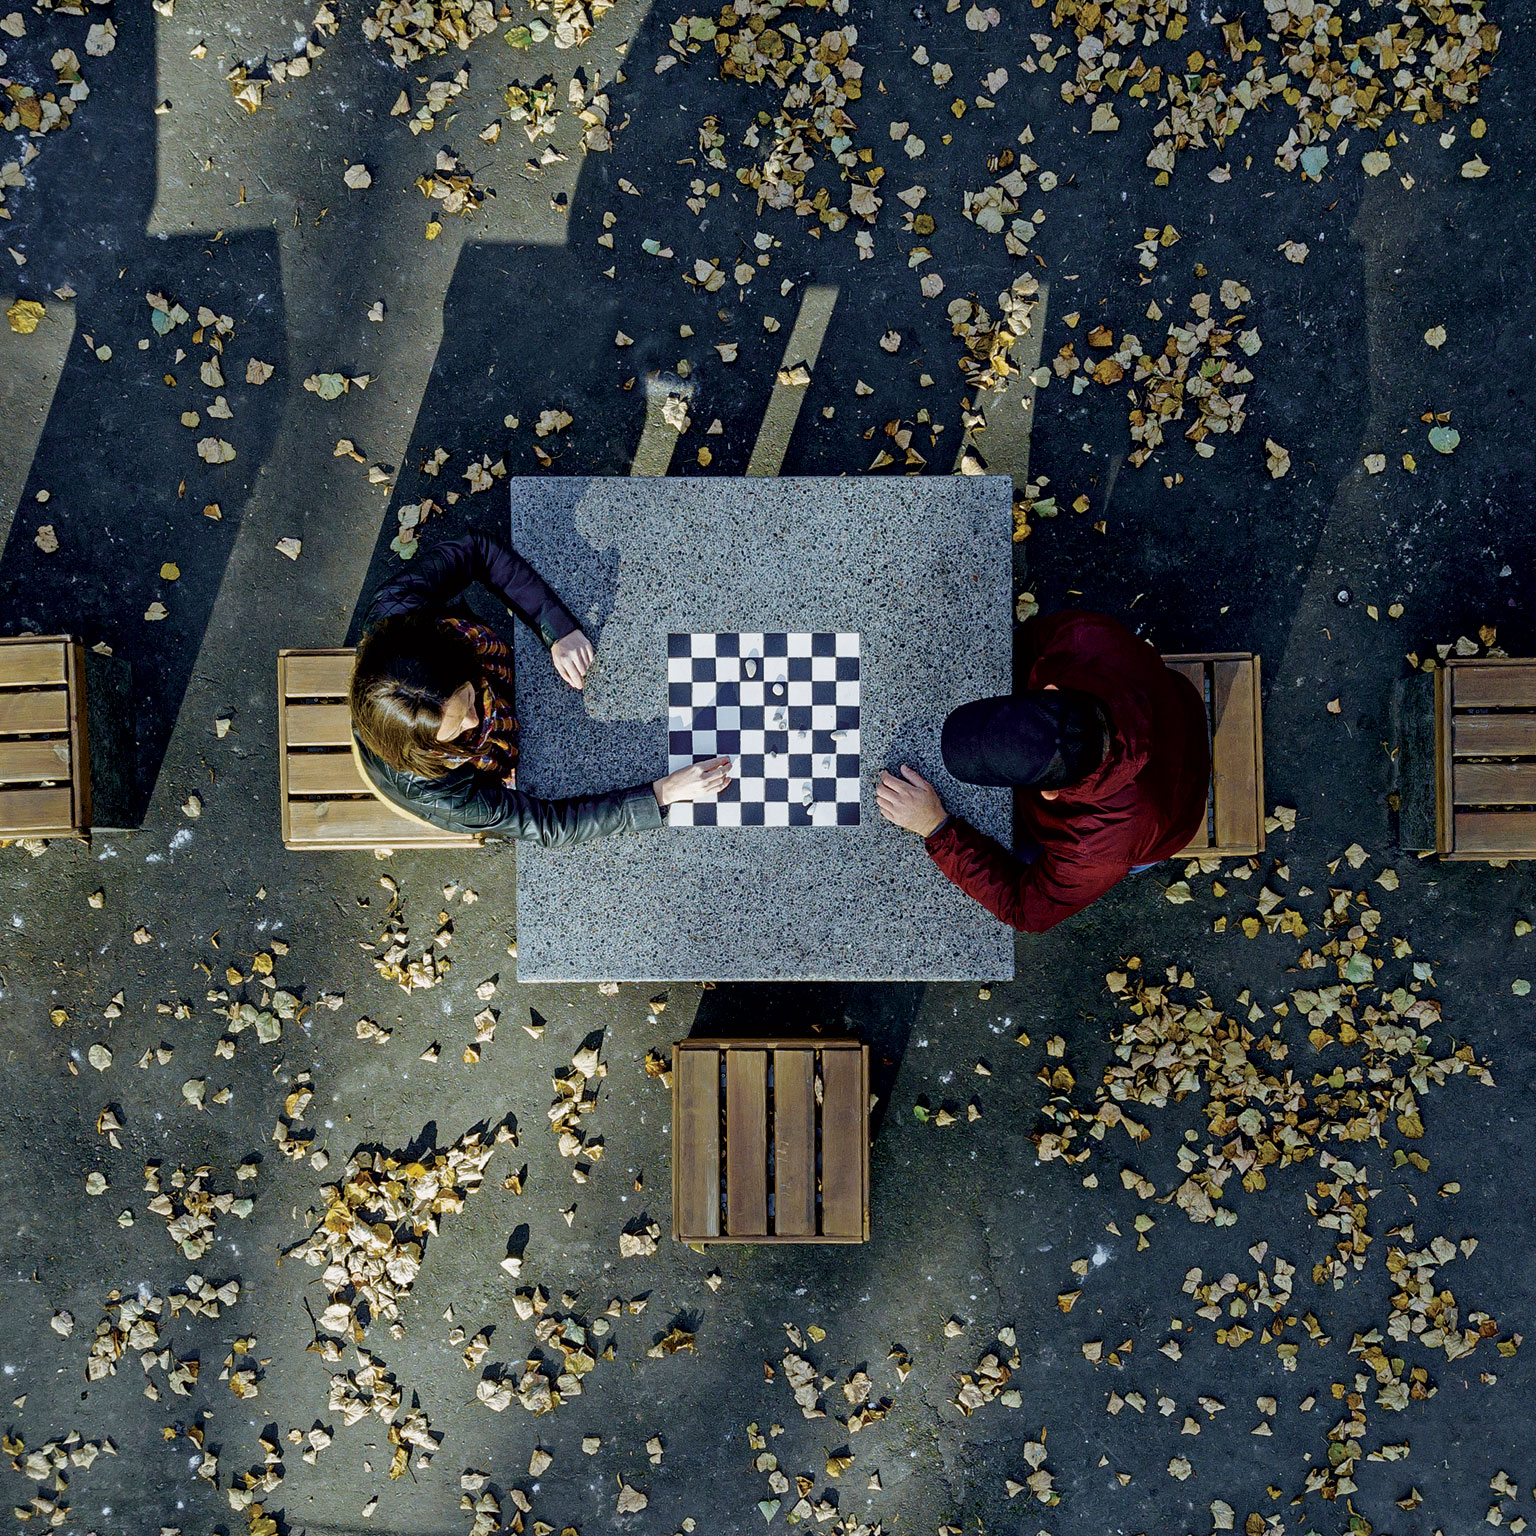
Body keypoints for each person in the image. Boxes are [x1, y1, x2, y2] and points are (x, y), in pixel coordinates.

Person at [350, 530, 729, 841]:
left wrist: (557, 626)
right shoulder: (442, 791)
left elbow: (477, 550)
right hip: (450, 785)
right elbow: (548, 825)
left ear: (456, 655)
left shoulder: (396, 610)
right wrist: (663, 794)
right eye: (457, 727)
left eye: (467, 700)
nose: (473, 720)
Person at [876, 609, 1211, 932]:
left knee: (1013, 845)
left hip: (1165, 824)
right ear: (1050, 690)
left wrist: (936, 827)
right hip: (1178, 709)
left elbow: (1026, 912)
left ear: (1050, 794)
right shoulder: (1087, 639)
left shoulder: (1095, 847)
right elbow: (1027, 643)